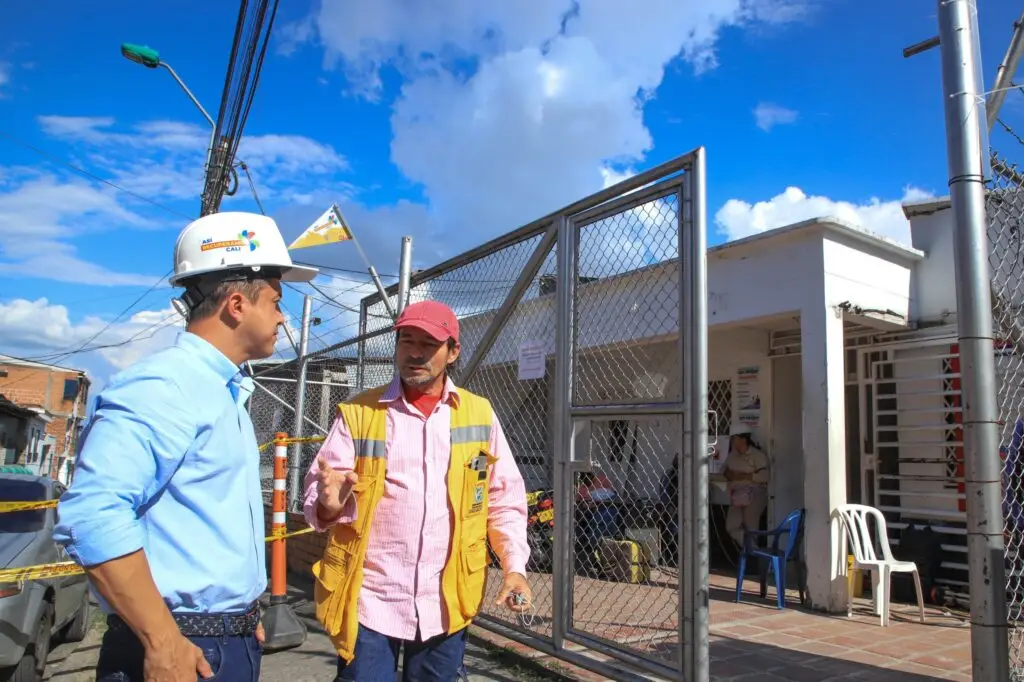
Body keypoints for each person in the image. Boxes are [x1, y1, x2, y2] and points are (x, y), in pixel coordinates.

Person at [53, 212, 318, 682]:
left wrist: (239, 619)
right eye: (276, 302)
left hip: (220, 641)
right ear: (237, 304)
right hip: (180, 646)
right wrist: (162, 639)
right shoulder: (165, 386)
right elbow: (93, 514)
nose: (282, 317)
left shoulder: (222, 391)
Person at [303, 299, 532, 682]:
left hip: (445, 600)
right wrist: (328, 505)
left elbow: (503, 500)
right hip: (370, 598)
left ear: (453, 352)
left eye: (428, 344)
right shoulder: (360, 413)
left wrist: (514, 567)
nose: (414, 352)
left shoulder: (478, 415)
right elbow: (321, 497)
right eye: (406, 341)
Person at [723, 424, 770, 549]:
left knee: (751, 527)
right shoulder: (732, 456)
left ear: (743, 439)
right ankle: (751, 547)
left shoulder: (757, 455)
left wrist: (745, 476)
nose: (733, 442)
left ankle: (752, 558)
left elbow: (765, 476)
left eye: (735, 438)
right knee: (732, 526)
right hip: (737, 494)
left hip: (755, 494)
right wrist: (730, 475)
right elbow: (724, 470)